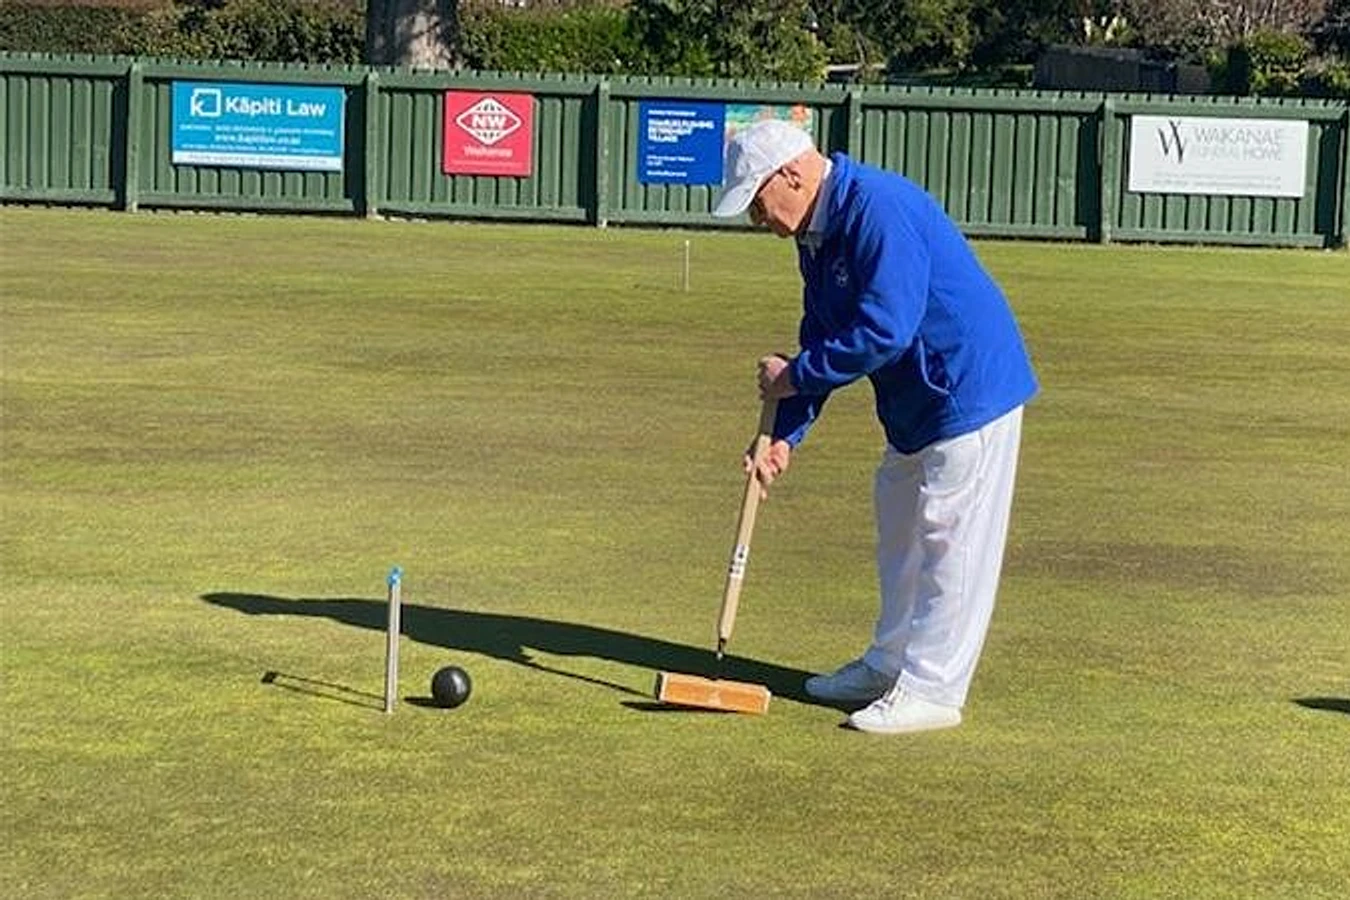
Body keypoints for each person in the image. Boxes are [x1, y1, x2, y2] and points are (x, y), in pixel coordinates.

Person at [712, 119, 1038, 734]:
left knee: (950, 536)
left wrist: (797, 375)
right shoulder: (816, 236)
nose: (759, 220)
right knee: (899, 526)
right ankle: (888, 663)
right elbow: (824, 340)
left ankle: (935, 690)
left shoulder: (877, 208)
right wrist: (786, 434)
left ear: (793, 175)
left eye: (758, 202)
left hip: (966, 386)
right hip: (914, 403)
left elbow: (886, 327)